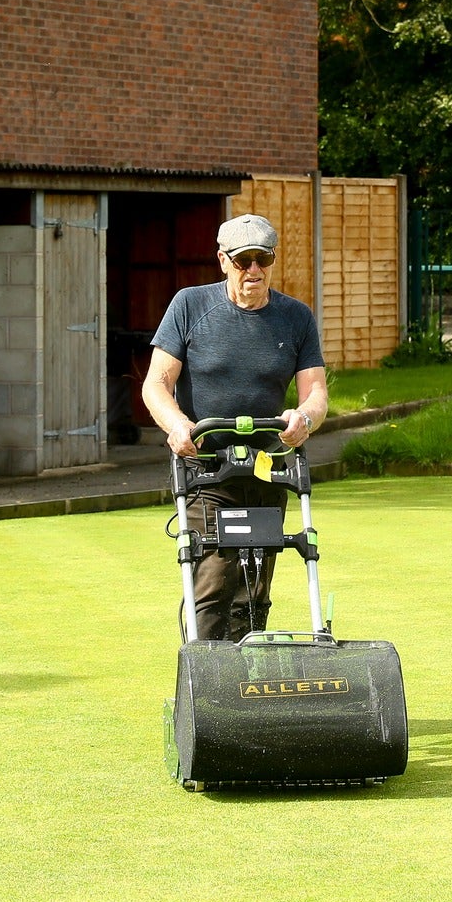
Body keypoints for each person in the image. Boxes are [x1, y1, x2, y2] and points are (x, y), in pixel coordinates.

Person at [142, 213, 328, 641]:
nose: (254, 271)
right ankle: (206, 690)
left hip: (268, 466)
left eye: (263, 259)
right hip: (207, 468)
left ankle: (247, 690)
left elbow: (315, 392)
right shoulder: (190, 305)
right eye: (244, 261)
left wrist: (304, 418)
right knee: (212, 585)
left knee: (255, 590)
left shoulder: (295, 318)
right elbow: (157, 383)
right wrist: (177, 425)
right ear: (223, 260)